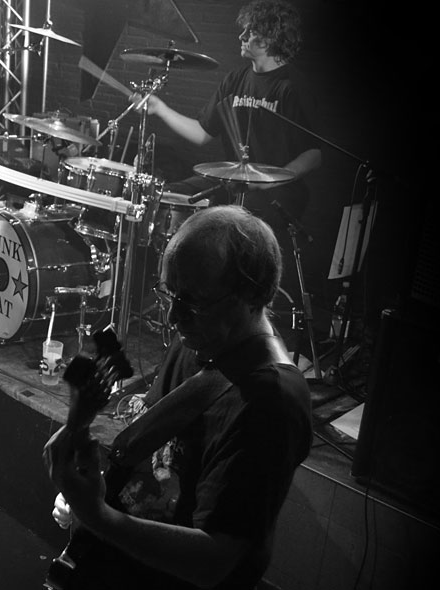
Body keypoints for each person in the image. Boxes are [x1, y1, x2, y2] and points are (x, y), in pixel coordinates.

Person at [44, 205, 313, 589]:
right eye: (169, 294)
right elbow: (159, 460)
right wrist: (90, 491)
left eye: (193, 301)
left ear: (251, 295)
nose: (172, 316)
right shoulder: (201, 339)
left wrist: (100, 517)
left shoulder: (272, 405)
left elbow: (214, 561)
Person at [139, 0, 321, 238]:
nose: (241, 36)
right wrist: (160, 109)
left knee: (236, 222)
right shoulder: (235, 80)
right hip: (233, 183)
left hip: (276, 195)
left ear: (270, 38)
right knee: (171, 194)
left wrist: (268, 181)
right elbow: (202, 133)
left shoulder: (291, 86)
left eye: (250, 31)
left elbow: (313, 155)